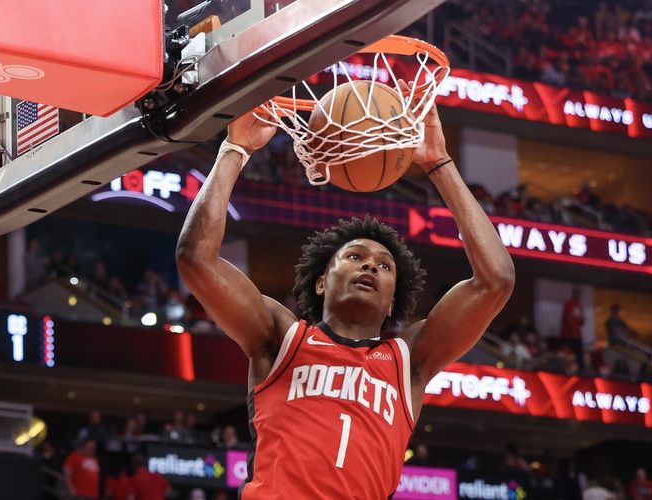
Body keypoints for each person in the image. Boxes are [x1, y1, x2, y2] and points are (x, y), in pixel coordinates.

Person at [176, 93, 514, 498]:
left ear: (392, 301)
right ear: (321, 281)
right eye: (355, 256)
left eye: (384, 265)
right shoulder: (282, 337)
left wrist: (439, 164)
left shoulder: (409, 361)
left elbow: (495, 280)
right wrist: (235, 149)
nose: (370, 266)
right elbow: (196, 259)